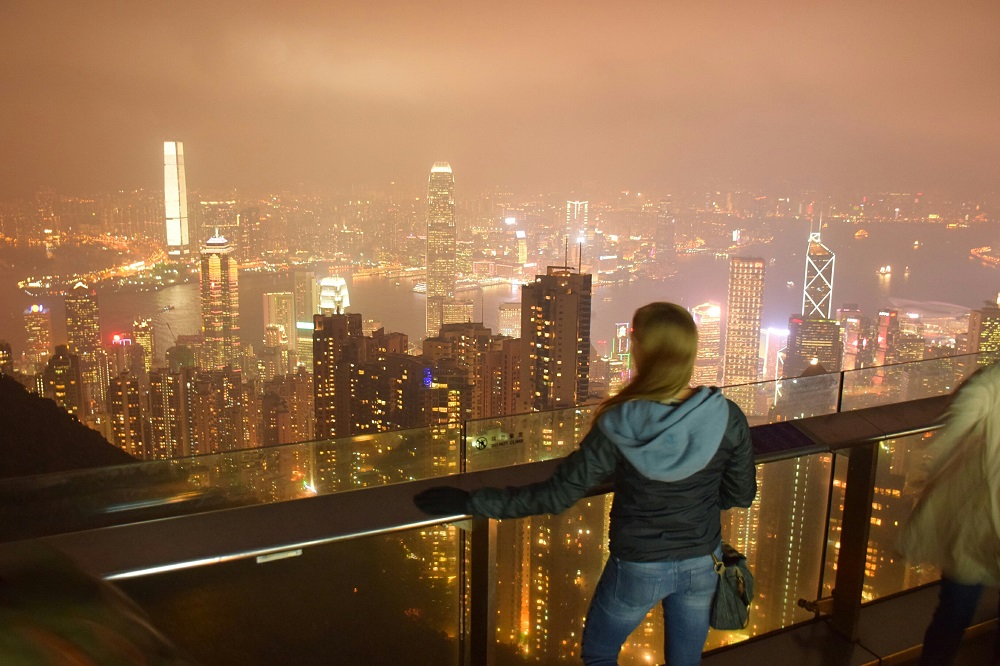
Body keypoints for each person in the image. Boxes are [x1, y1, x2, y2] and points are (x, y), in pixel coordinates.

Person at [415, 302, 757, 666]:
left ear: (642, 350)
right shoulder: (726, 416)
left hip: (638, 566)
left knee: (599, 655)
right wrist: (695, 496)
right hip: (703, 563)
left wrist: (472, 502)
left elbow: (558, 495)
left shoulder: (620, 422)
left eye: (634, 336)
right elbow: (740, 494)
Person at [900, 362, 1000, 665]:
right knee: (955, 608)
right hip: (977, 522)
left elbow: (958, 419)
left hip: (973, 522)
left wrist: (935, 464)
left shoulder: (990, 381)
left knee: (954, 611)